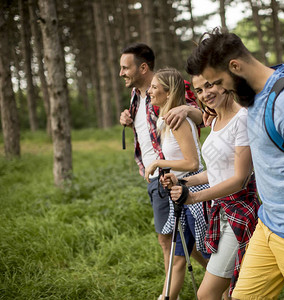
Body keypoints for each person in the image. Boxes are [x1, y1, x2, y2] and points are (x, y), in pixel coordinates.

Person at [185, 28, 284, 300]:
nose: (220, 90)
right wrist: (190, 110)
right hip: (267, 226)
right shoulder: (254, 96)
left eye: (219, 82)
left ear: (235, 67)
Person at [118, 44, 207, 299]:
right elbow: (145, 134)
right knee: (176, 240)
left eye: (126, 67)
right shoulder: (136, 96)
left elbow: (206, 115)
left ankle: (175, 292)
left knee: (175, 241)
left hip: (178, 175)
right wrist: (127, 119)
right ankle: (216, 276)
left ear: (142, 67)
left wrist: (188, 109)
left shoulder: (170, 87)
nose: (122, 73)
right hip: (157, 177)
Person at [163, 74, 259, 300]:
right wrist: (182, 181)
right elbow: (215, 172)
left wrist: (195, 198)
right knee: (227, 293)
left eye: (209, 85)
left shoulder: (242, 119)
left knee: (207, 294)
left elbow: (239, 178)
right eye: (198, 90)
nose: (204, 94)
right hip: (220, 211)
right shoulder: (215, 120)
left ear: (224, 83)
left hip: (239, 213)